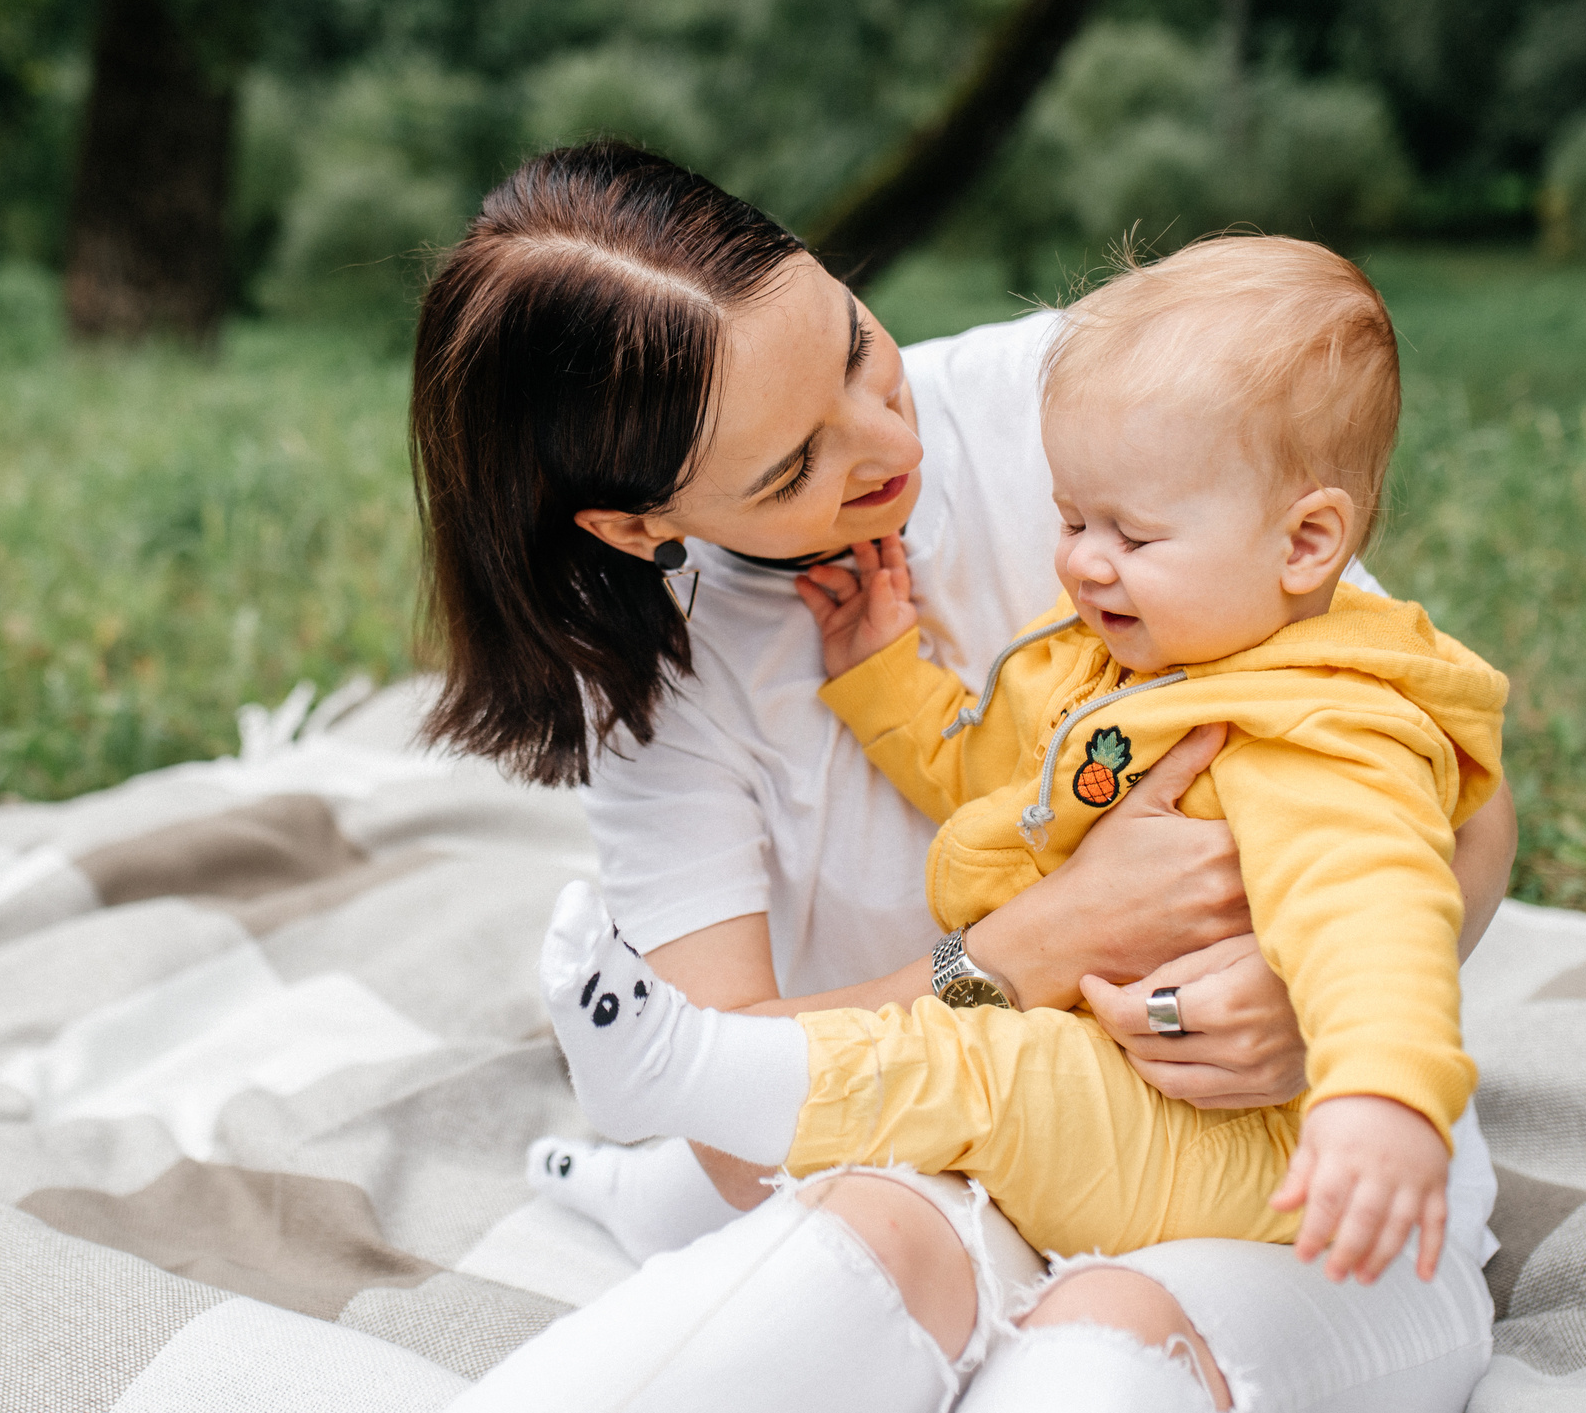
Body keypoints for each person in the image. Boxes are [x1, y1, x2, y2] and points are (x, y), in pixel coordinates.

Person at [377, 143, 1512, 1413]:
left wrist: (1320, 1004)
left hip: (1287, 1203)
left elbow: (1433, 799)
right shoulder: (669, 692)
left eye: (857, 347)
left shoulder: (1106, 400)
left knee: (1092, 1352)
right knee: (839, 1249)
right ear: (638, 527)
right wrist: (1037, 943)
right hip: (969, 1166)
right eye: (794, 464)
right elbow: (757, 1135)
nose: (887, 439)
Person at [540, 235, 1506, 1290]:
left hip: (1232, 1143)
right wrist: (884, 682)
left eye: (858, 346)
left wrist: (1374, 1089)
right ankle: (651, 1178)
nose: (1085, 558)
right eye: (1071, 519)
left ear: (1306, 544)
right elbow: (1001, 780)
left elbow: (1379, 903)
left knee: (990, 1071)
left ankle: (693, 1076)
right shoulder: (1121, 652)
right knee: (933, 1092)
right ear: (637, 525)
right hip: (1081, 1086)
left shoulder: (1303, 708)